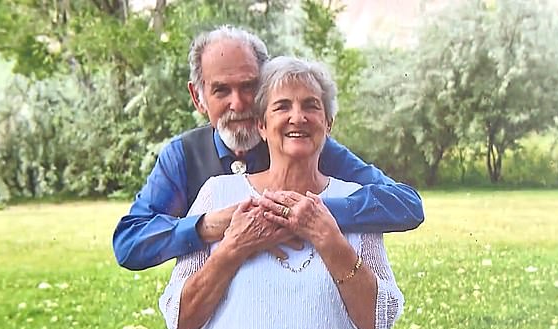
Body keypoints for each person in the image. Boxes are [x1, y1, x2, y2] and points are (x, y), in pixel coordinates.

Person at [112, 25, 424, 272]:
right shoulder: (182, 156)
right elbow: (129, 242)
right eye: (221, 90)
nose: (238, 103)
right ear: (198, 97)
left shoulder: (305, 144)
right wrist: (209, 226)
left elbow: (406, 204)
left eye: (248, 86)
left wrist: (312, 214)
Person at [160, 56, 404, 329]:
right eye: (282, 106)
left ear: (328, 124)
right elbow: (179, 321)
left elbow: (377, 322)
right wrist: (235, 247)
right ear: (261, 125)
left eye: (312, 106)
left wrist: (329, 239)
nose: (298, 117)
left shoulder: (353, 200)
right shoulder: (219, 193)